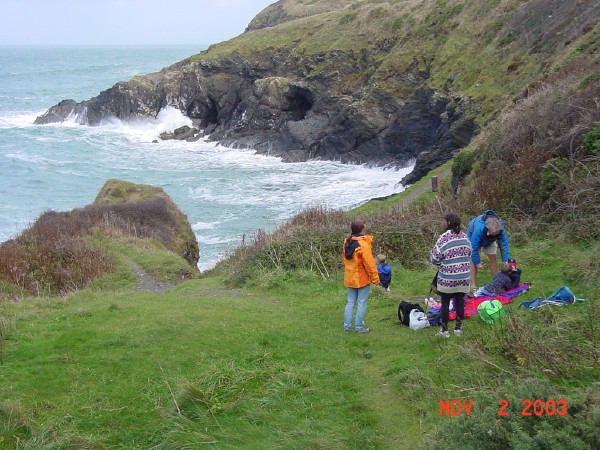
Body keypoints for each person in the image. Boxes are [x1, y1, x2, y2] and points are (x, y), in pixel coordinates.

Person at [430, 212, 472, 338]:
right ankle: (458, 329)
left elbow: (435, 258)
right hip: (464, 276)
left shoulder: (444, 238)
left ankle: (444, 330)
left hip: (448, 277)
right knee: (460, 301)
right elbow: (470, 252)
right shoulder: (465, 237)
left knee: (445, 302)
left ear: (448, 223)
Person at [342, 220, 380, 333]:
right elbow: (370, 264)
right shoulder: (363, 245)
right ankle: (359, 327)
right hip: (361, 278)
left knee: (350, 302)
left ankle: (346, 326)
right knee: (361, 303)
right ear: (362, 229)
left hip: (350, 277)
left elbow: (344, 260)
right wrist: (376, 279)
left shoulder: (346, 242)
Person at [466, 210, 511, 292]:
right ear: (488, 228)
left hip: (490, 240)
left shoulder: (499, 228)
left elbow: (504, 244)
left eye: (497, 232)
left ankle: (496, 281)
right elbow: (473, 248)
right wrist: (477, 262)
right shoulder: (479, 228)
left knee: (493, 257)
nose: (496, 233)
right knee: (473, 261)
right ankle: (473, 285)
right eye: (494, 232)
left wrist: (506, 260)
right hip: (473, 236)